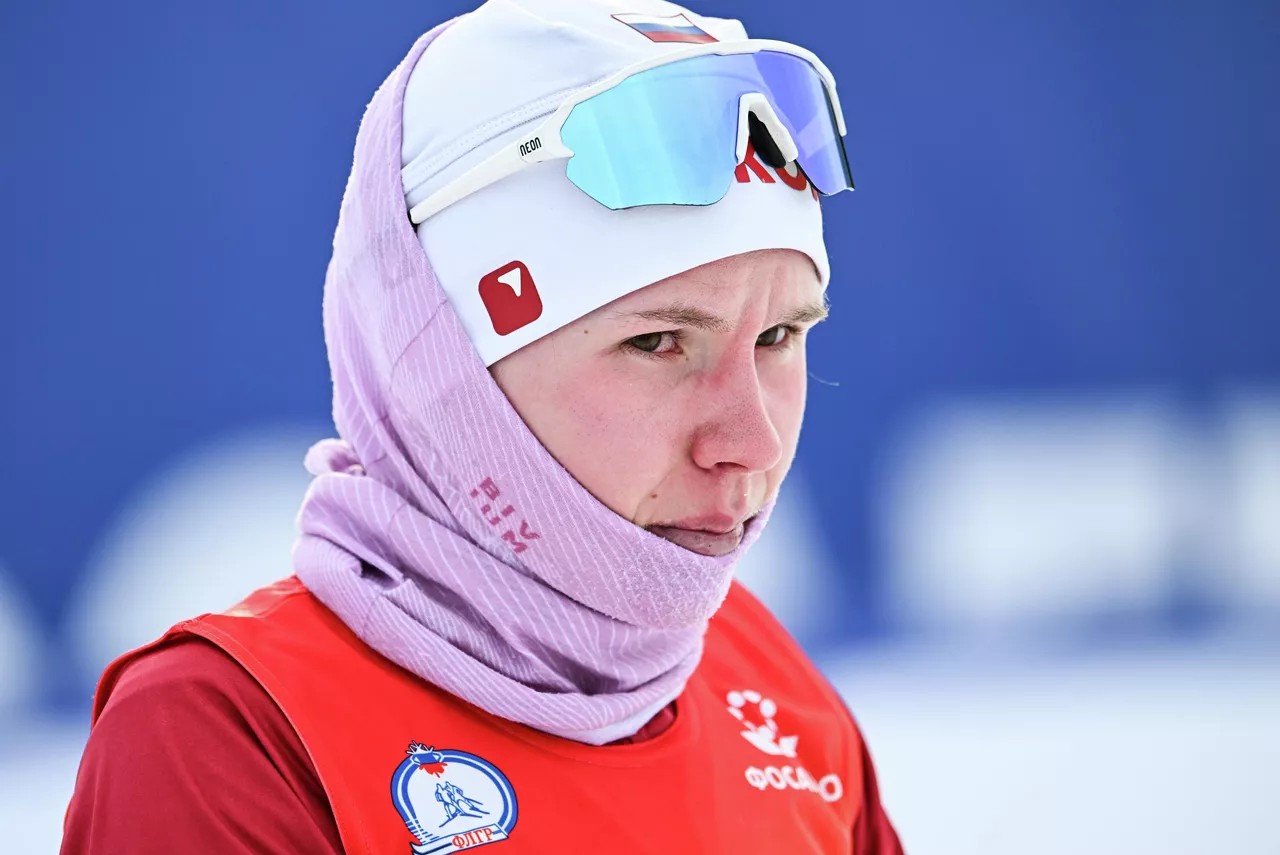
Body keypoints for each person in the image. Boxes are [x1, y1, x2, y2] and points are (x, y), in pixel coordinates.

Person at [61, 0, 903, 852]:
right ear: (448, 377)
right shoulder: (234, 738)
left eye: (779, 336)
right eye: (656, 342)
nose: (753, 442)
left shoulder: (768, 682)